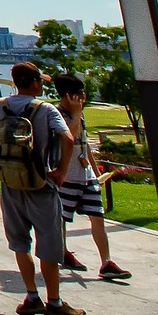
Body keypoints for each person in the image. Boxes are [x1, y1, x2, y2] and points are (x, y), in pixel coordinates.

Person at [0, 62, 85, 315]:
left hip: (10, 182)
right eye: (40, 81)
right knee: (48, 243)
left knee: (19, 242)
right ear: (34, 83)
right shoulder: (45, 109)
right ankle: (54, 301)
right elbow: (67, 138)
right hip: (40, 183)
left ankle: (31, 297)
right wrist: (62, 171)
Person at [51, 73, 131, 281]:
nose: (83, 99)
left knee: (97, 217)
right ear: (68, 96)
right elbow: (69, 138)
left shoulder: (81, 115)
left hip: (85, 176)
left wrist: (95, 173)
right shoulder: (57, 115)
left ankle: (106, 262)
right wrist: (76, 115)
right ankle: (63, 251)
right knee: (62, 218)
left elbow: (84, 147)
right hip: (67, 176)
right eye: (79, 94)